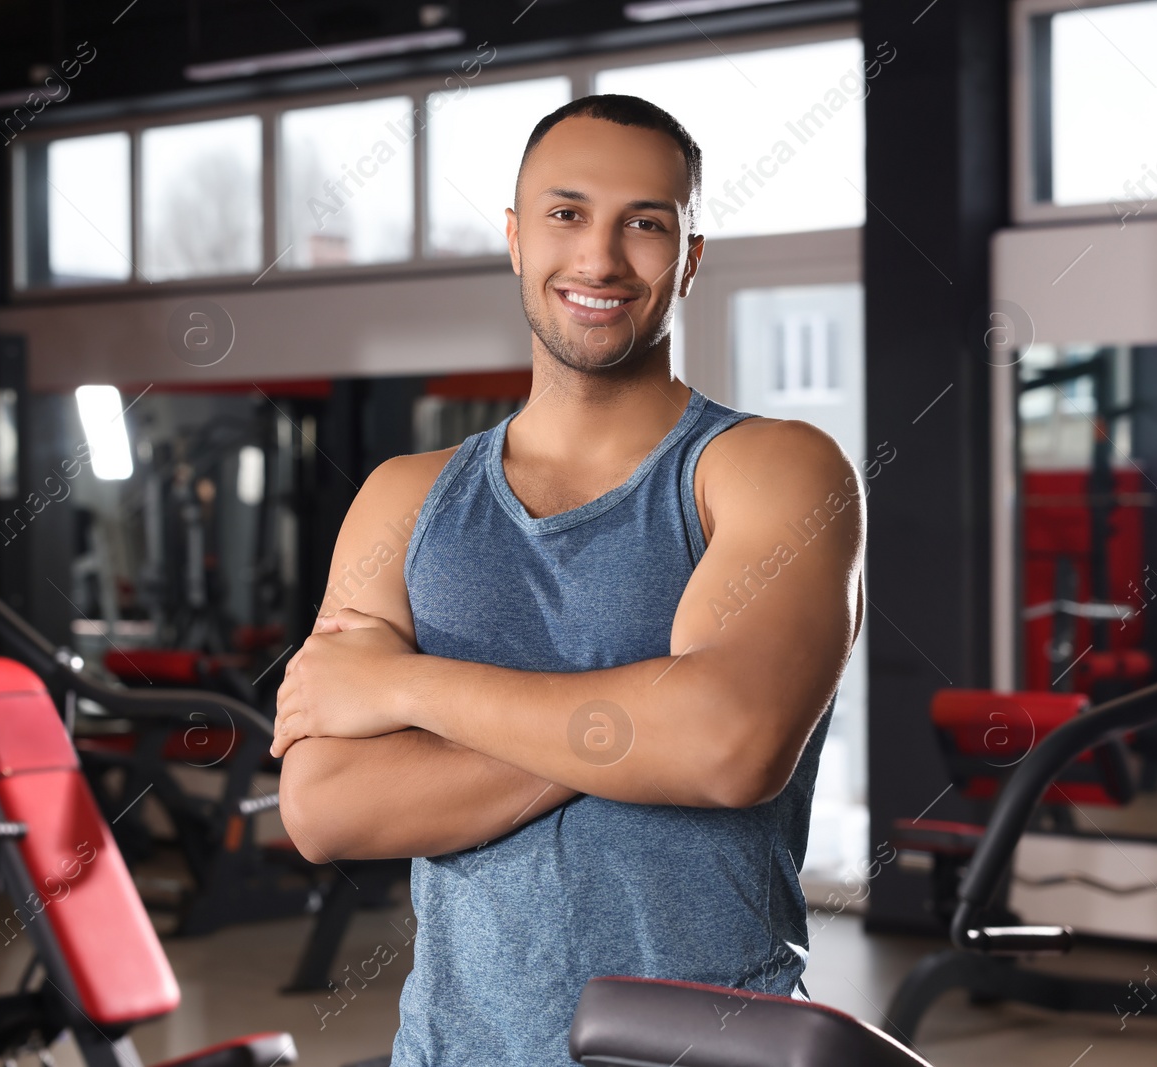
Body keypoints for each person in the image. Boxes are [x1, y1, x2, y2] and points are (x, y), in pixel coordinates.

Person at [271, 94, 866, 1066]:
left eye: (645, 222)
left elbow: (728, 746)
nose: (598, 258)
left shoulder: (772, 468)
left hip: (708, 1052)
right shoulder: (403, 499)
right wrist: (643, 717)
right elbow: (326, 806)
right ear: (513, 238)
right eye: (565, 214)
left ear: (690, 256)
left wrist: (404, 687)